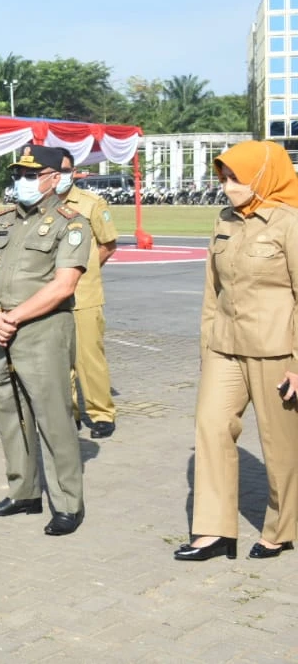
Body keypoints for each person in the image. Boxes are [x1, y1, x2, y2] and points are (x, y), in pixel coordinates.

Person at [175, 140, 298, 562]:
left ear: (263, 177)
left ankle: (281, 529)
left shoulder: (290, 223)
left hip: (277, 351)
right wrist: (207, 345)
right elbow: (214, 290)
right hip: (225, 347)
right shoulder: (224, 220)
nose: (227, 187)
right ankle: (213, 532)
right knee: (210, 427)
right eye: (224, 178)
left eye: (236, 178)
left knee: (279, 444)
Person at [0, 145, 90, 537]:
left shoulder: (70, 222)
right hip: (0, 329)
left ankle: (67, 503)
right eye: (18, 174)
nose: (22, 181)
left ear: (54, 178)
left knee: (53, 418)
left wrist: (13, 317)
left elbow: (64, 285)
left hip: (42, 330)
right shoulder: (4, 219)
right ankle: (23, 491)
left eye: (31, 174)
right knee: (12, 414)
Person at [58, 152, 119, 438]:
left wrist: (84, 269)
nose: (61, 175)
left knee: (88, 357)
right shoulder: (40, 205)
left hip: (83, 293)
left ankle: (101, 413)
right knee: (59, 359)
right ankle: (69, 414)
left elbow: (107, 243)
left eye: (67, 170)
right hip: (49, 295)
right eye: (55, 170)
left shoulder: (91, 204)